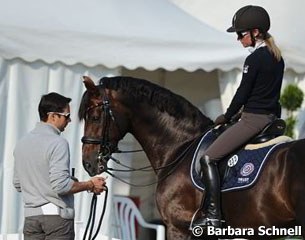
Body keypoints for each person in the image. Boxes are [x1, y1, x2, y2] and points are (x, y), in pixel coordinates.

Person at [194, 5, 284, 228]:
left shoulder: (254, 60)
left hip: (253, 120)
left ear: (255, 32)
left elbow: (242, 94)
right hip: (271, 118)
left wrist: (227, 116)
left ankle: (213, 213)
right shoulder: (277, 58)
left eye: (240, 34)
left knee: (208, 158)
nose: (238, 38)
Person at [13, 92, 107, 240]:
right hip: (57, 220)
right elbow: (61, 186)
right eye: (67, 116)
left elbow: (18, 184)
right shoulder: (58, 142)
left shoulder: (22, 143)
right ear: (53, 116)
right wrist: (90, 184)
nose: (69, 121)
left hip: (31, 219)